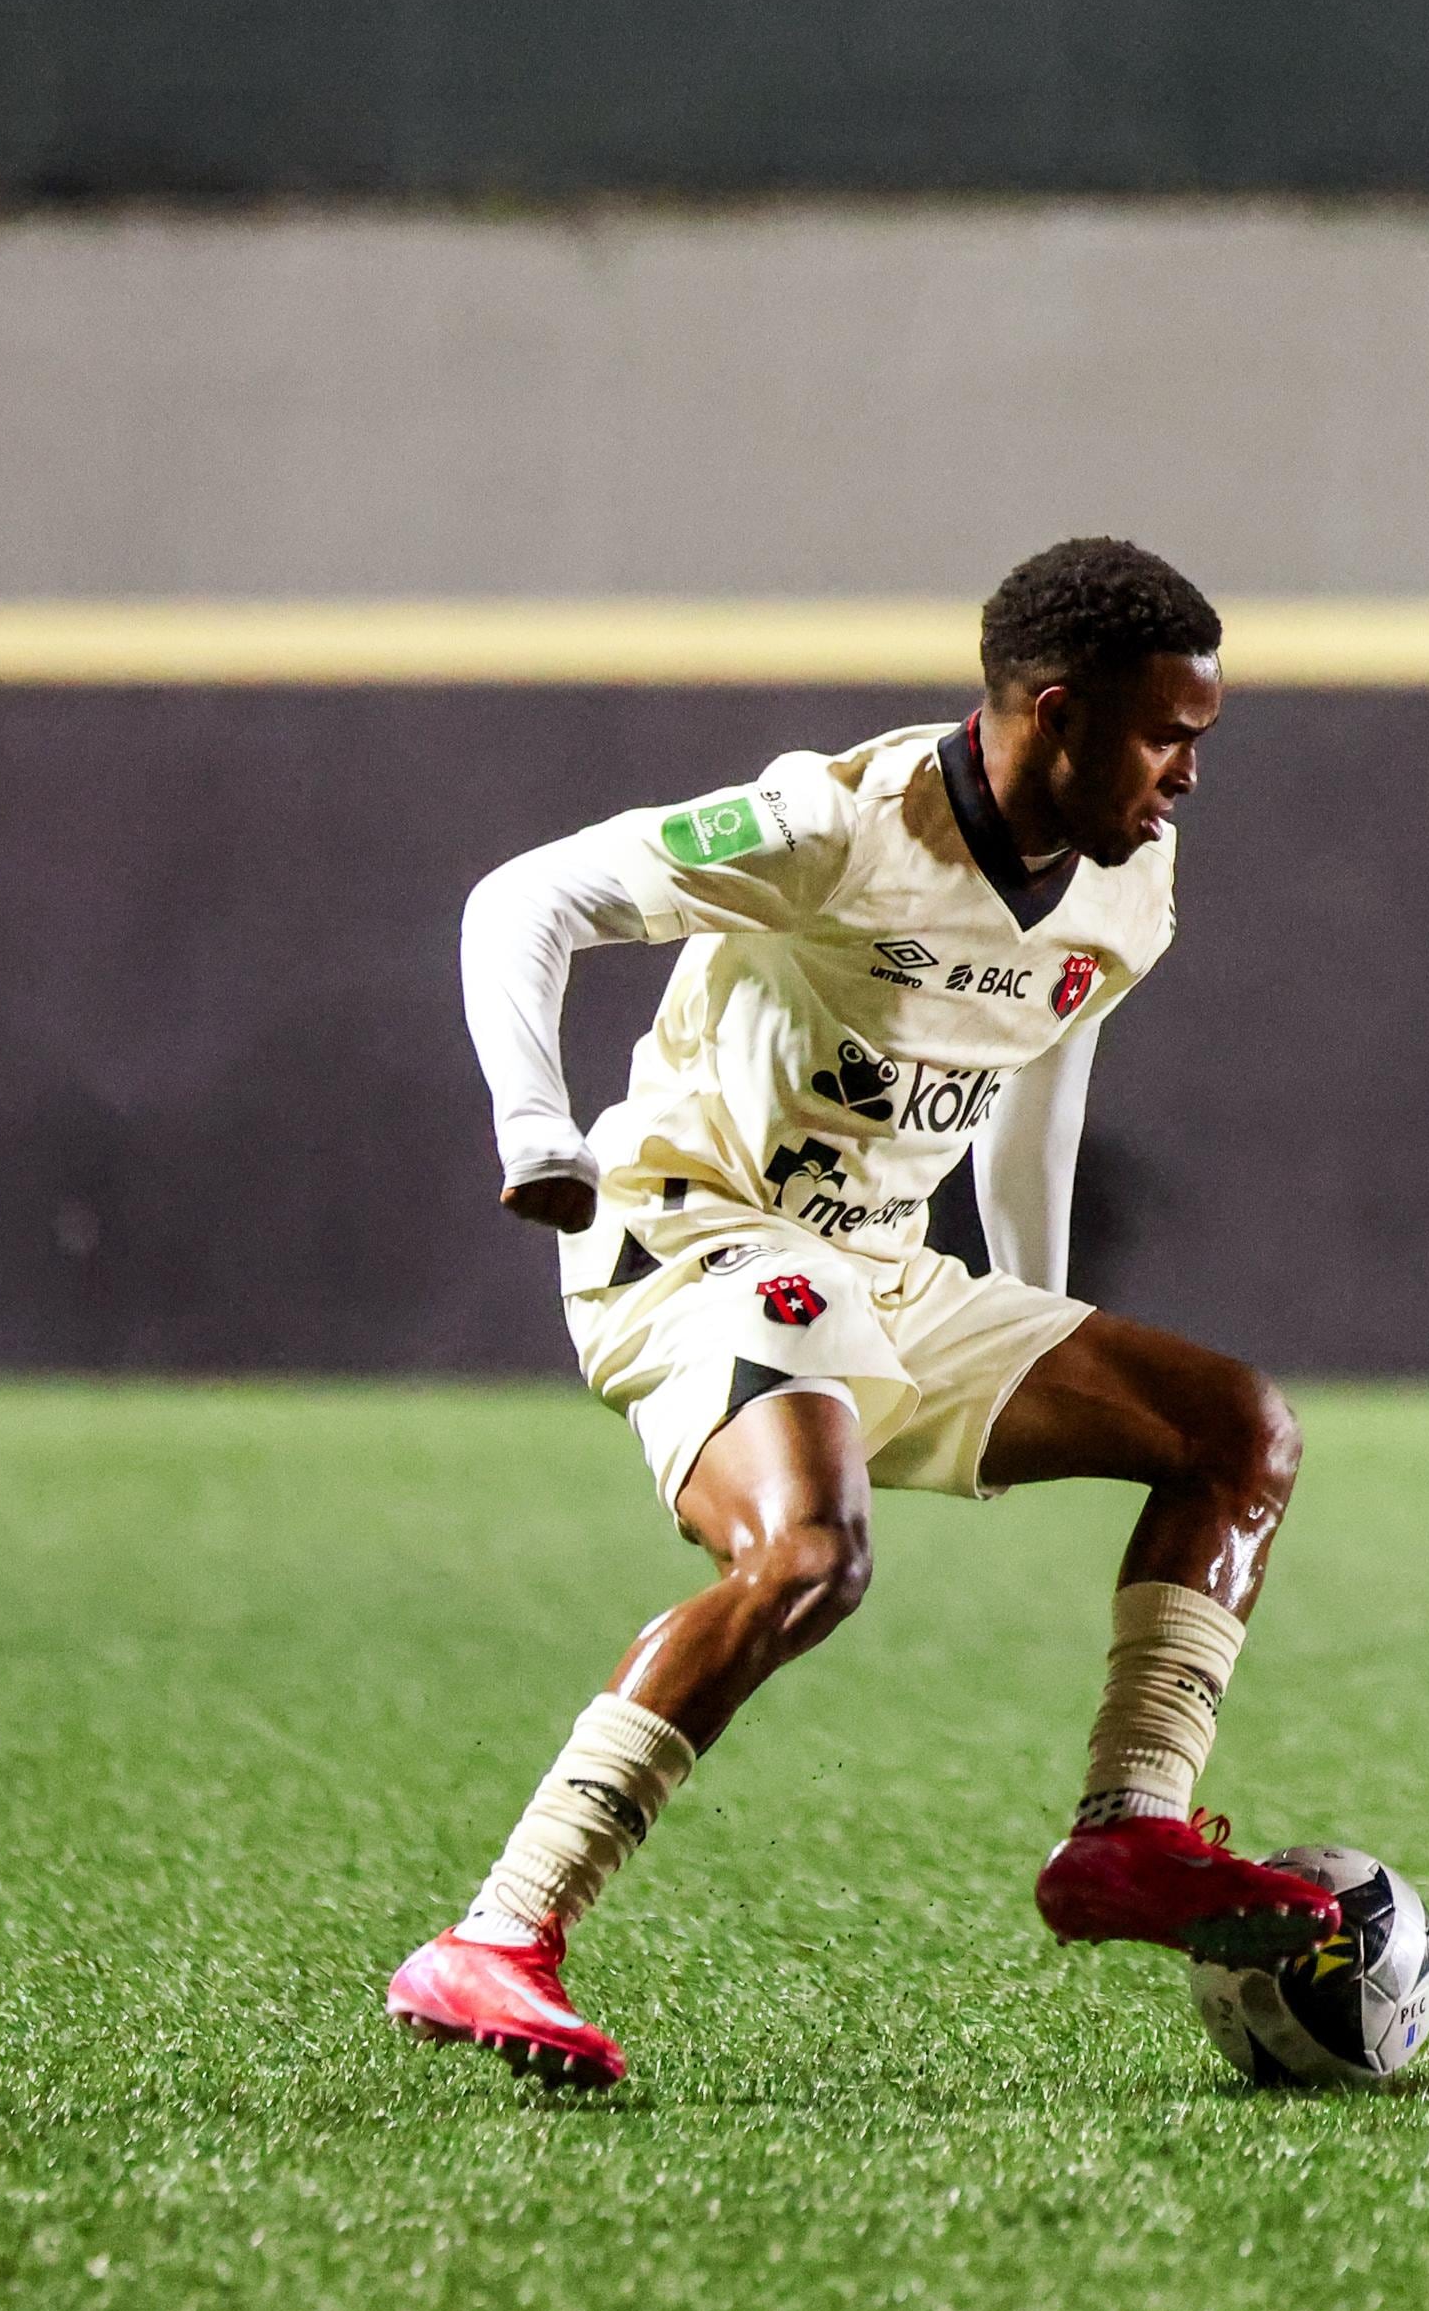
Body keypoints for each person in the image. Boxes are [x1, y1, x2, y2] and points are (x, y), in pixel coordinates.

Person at [386, 538, 1339, 2089]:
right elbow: (526, 896)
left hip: (877, 1265)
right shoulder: (829, 823)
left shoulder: (1128, 874)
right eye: (1168, 735)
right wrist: (532, 1131)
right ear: (1056, 713)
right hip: (696, 1233)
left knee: (1235, 1429)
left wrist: (1034, 1296)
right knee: (809, 1557)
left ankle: (1130, 1832)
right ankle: (496, 1933)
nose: (1186, 773)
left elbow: (1046, 1049)